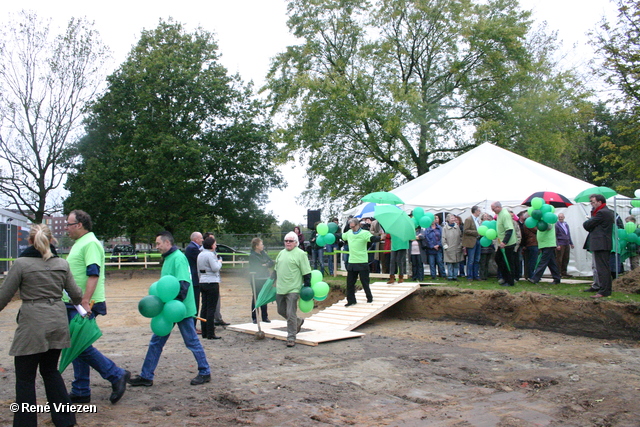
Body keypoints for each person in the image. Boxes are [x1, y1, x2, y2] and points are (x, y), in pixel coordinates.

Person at [0, 224, 86, 427]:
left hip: (32, 323)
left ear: (30, 241)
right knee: (50, 370)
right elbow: (76, 295)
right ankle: (65, 420)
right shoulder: (62, 264)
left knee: (25, 378)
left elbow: (4, 296)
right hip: (57, 321)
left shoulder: (21, 264)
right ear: (52, 241)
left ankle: (25, 423)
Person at [63, 209, 129, 404]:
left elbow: (94, 273)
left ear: (79, 225)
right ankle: (81, 389)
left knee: (79, 345)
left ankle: (115, 374)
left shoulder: (90, 243)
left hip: (83, 304)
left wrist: (85, 301)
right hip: (75, 302)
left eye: (69, 224)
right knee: (78, 344)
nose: (66, 228)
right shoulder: (81, 243)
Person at [129, 231, 211, 386]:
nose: (157, 246)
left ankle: (205, 372)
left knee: (191, 341)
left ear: (168, 243)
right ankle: (146, 376)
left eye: (158, 243)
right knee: (156, 341)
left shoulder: (178, 258)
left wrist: (174, 307)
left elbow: (183, 284)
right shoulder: (168, 259)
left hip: (180, 309)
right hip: (168, 309)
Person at [273, 232, 312, 347]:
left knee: (290, 313)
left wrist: (307, 285)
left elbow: (306, 271)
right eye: (286, 241)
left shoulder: (301, 254)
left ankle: (291, 337)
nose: (288, 243)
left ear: (296, 242)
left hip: (293, 288)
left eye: (290, 241)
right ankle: (298, 321)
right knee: (281, 311)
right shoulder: (281, 253)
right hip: (280, 287)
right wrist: (271, 281)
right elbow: (276, 269)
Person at [342, 218, 383, 305]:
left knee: (365, 282)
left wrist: (380, 238)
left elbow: (372, 238)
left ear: (358, 225)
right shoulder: (349, 233)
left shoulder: (364, 233)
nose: (352, 228)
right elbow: (341, 236)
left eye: (353, 227)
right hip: (352, 262)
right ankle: (351, 301)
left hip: (362, 261)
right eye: (351, 227)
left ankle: (369, 298)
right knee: (349, 284)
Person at [583, 194, 615, 298]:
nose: (591, 204)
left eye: (593, 202)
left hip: (601, 243)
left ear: (600, 202)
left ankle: (604, 291)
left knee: (602, 268)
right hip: (603, 242)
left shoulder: (601, 213)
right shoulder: (606, 212)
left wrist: (591, 218)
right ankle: (605, 289)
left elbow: (587, 225)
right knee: (603, 267)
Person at [197, 236, 222, 339]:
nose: (216, 246)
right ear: (212, 245)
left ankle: (204, 331)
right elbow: (215, 268)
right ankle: (210, 333)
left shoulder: (200, 254)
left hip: (202, 281)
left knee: (204, 307)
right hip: (211, 282)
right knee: (211, 308)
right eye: (215, 244)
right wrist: (219, 262)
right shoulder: (210, 255)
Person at [491, 201, 517, 286]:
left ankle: (510, 281)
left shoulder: (505, 215)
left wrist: (504, 242)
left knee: (508, 262)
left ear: (498, 207)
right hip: (501, 242)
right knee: (499, 259)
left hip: (508, 243)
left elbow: (509, 230)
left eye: (493, 209)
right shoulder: (500, 215)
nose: (492, 210)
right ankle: (505, 278)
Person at [249, 237, 274, 324]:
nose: (262, 246)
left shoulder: (263, 253)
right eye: (261, 244)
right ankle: (255, 317)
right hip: (256, 279)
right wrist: (264, 264)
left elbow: (271, 262)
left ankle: (265, 316)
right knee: (256, 297)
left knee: (264, 296)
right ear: (256, 246)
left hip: (265, 278)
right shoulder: (252, 256)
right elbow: (258, 266)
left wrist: (265, 264)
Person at [185, 231, 203, 330]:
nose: (202, 240)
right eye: (201, 238)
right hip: (195, 279)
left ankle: (193, 325)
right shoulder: (193, 249)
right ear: (196, 239)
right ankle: (192, 326)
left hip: (194, 279)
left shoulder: (192, 247)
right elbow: (200, 261)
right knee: (195, 303)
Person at [462, 206, 482, 280]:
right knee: (471, 260)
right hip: (471, 241)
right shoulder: (468, 219)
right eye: (479, 211)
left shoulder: (478, 220)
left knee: (477, 259)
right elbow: (466, 230)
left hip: (478, 240)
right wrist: (476, 233)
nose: (480, 212)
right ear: (475, 211)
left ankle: (476, 275)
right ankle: (470, 275)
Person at [442, 214, 463, 280]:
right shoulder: (445, 228)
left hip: (457, 248)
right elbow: (443, 238)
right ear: (448, 219)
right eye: (451, 218)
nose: (453, 219)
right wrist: (446, 247)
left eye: (454, 218)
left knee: (456, 263)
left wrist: (460, 245)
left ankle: (455, 276)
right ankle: (450, 276)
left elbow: (460, 237)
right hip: (449, 248)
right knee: (450, 264)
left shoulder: (457, 227)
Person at [555, 213, 574, 277]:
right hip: (561, 243)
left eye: (561, 217)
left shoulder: (566, 225)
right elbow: (555, 236)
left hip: (566, 243)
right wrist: (557, 244)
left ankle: (564, 272)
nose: (560, 218)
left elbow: (568, 234)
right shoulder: (556, 225)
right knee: (559, 259)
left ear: (564, 217)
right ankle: (558, 272)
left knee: (566, 258)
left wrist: (571, 243)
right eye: (559, 217)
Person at [478, 213, 496, 280]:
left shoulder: (490, 225)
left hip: (489, 246)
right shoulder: (481, 226)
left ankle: (486, 275)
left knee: (487, 261)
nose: (486, 217)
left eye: (487, 216)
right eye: (485, 216)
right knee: (483, 261)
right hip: (483, 246)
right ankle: (482, 275)